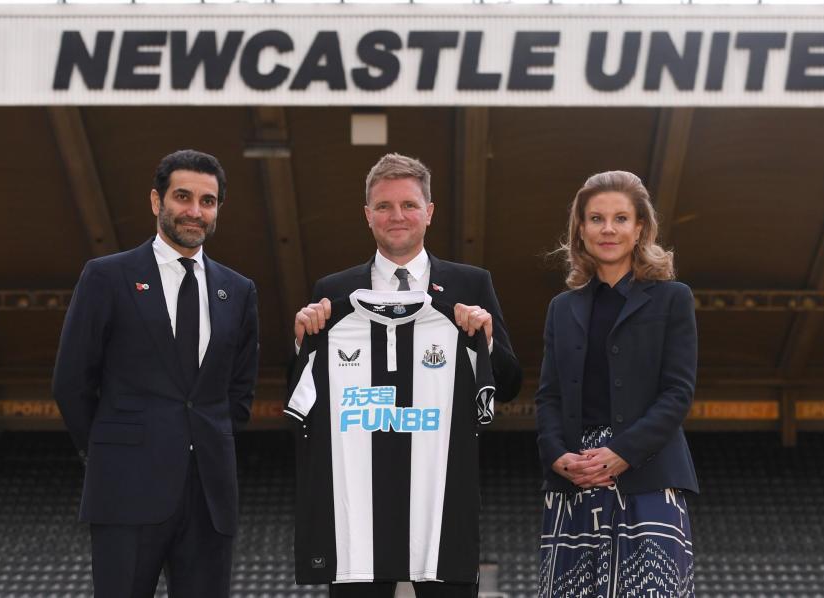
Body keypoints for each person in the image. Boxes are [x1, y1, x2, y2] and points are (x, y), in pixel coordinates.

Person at [291, 152, 522, 597]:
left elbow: (508, 386)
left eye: (409, 205)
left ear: (429, 212)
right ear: (367, 215)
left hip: (442, 507)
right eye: (383, 206)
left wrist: (486, 342)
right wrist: (304, 343)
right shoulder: (333, 292)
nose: (396, 216)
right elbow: (302, 400)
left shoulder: (470, 284)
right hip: (357, 514)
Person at [52, 150, 259, 598]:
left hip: (209, 496)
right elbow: (71, 381)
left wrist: (211, 437)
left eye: (208, 201)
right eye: (183, 196)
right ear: (156, 201)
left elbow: (239, 390)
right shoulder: (107, 276)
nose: (195, 211)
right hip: (125, 489)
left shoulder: (238, 291)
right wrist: (113, 448)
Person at [534, 171, 698, 597]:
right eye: (596, 218)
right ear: (581, 230)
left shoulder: (673, 299)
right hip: (576, 479)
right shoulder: (561, 308)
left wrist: (622, 452)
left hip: (647, 474)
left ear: (640, 227)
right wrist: (558, 457)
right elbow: (549, 395)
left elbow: (677, 392)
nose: (608, 229)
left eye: (621, 219)